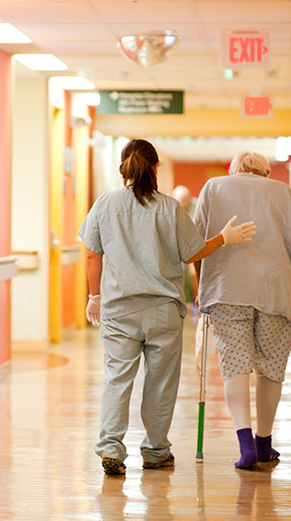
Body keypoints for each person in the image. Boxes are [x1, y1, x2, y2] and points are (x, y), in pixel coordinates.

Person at [78, 139, 256, 476]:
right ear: (155, 168)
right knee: (160, 383)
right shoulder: (170, 208)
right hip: (162, 310)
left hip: (119, 311)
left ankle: (111, 448)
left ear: (124, 169)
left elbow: (91, 253)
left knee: (116, 379)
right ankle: (156, 451)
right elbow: (192, 253)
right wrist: (224, 238)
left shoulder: (105, 205)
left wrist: (94, 296)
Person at [192, 151, 291, 470]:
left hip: (226, 289)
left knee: (235, 364)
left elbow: (195, 247)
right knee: (271, 366)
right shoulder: (282, 192)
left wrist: (200, 288)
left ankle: (245, 444)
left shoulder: (214, 187)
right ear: (264, 171)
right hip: (276, 290)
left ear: (233, 169)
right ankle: (264, 443)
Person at [171, 185, 198, 308]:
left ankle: (197, 301)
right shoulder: (171, 207)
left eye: (184, 201)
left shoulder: (196, 206)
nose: (183, 204)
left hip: (195, 245)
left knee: (194, 272)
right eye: (180, 201)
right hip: (178, 246)